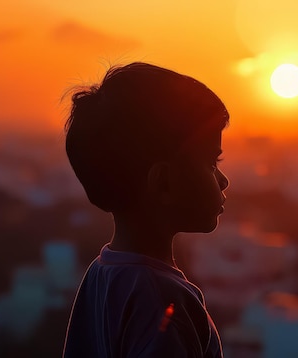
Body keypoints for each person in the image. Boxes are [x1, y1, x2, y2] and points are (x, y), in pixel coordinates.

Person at [62, 62, 229, 358]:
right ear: (164, 182)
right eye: (211, 163)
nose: (223, 180)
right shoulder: (163, 299)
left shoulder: (101, 274)